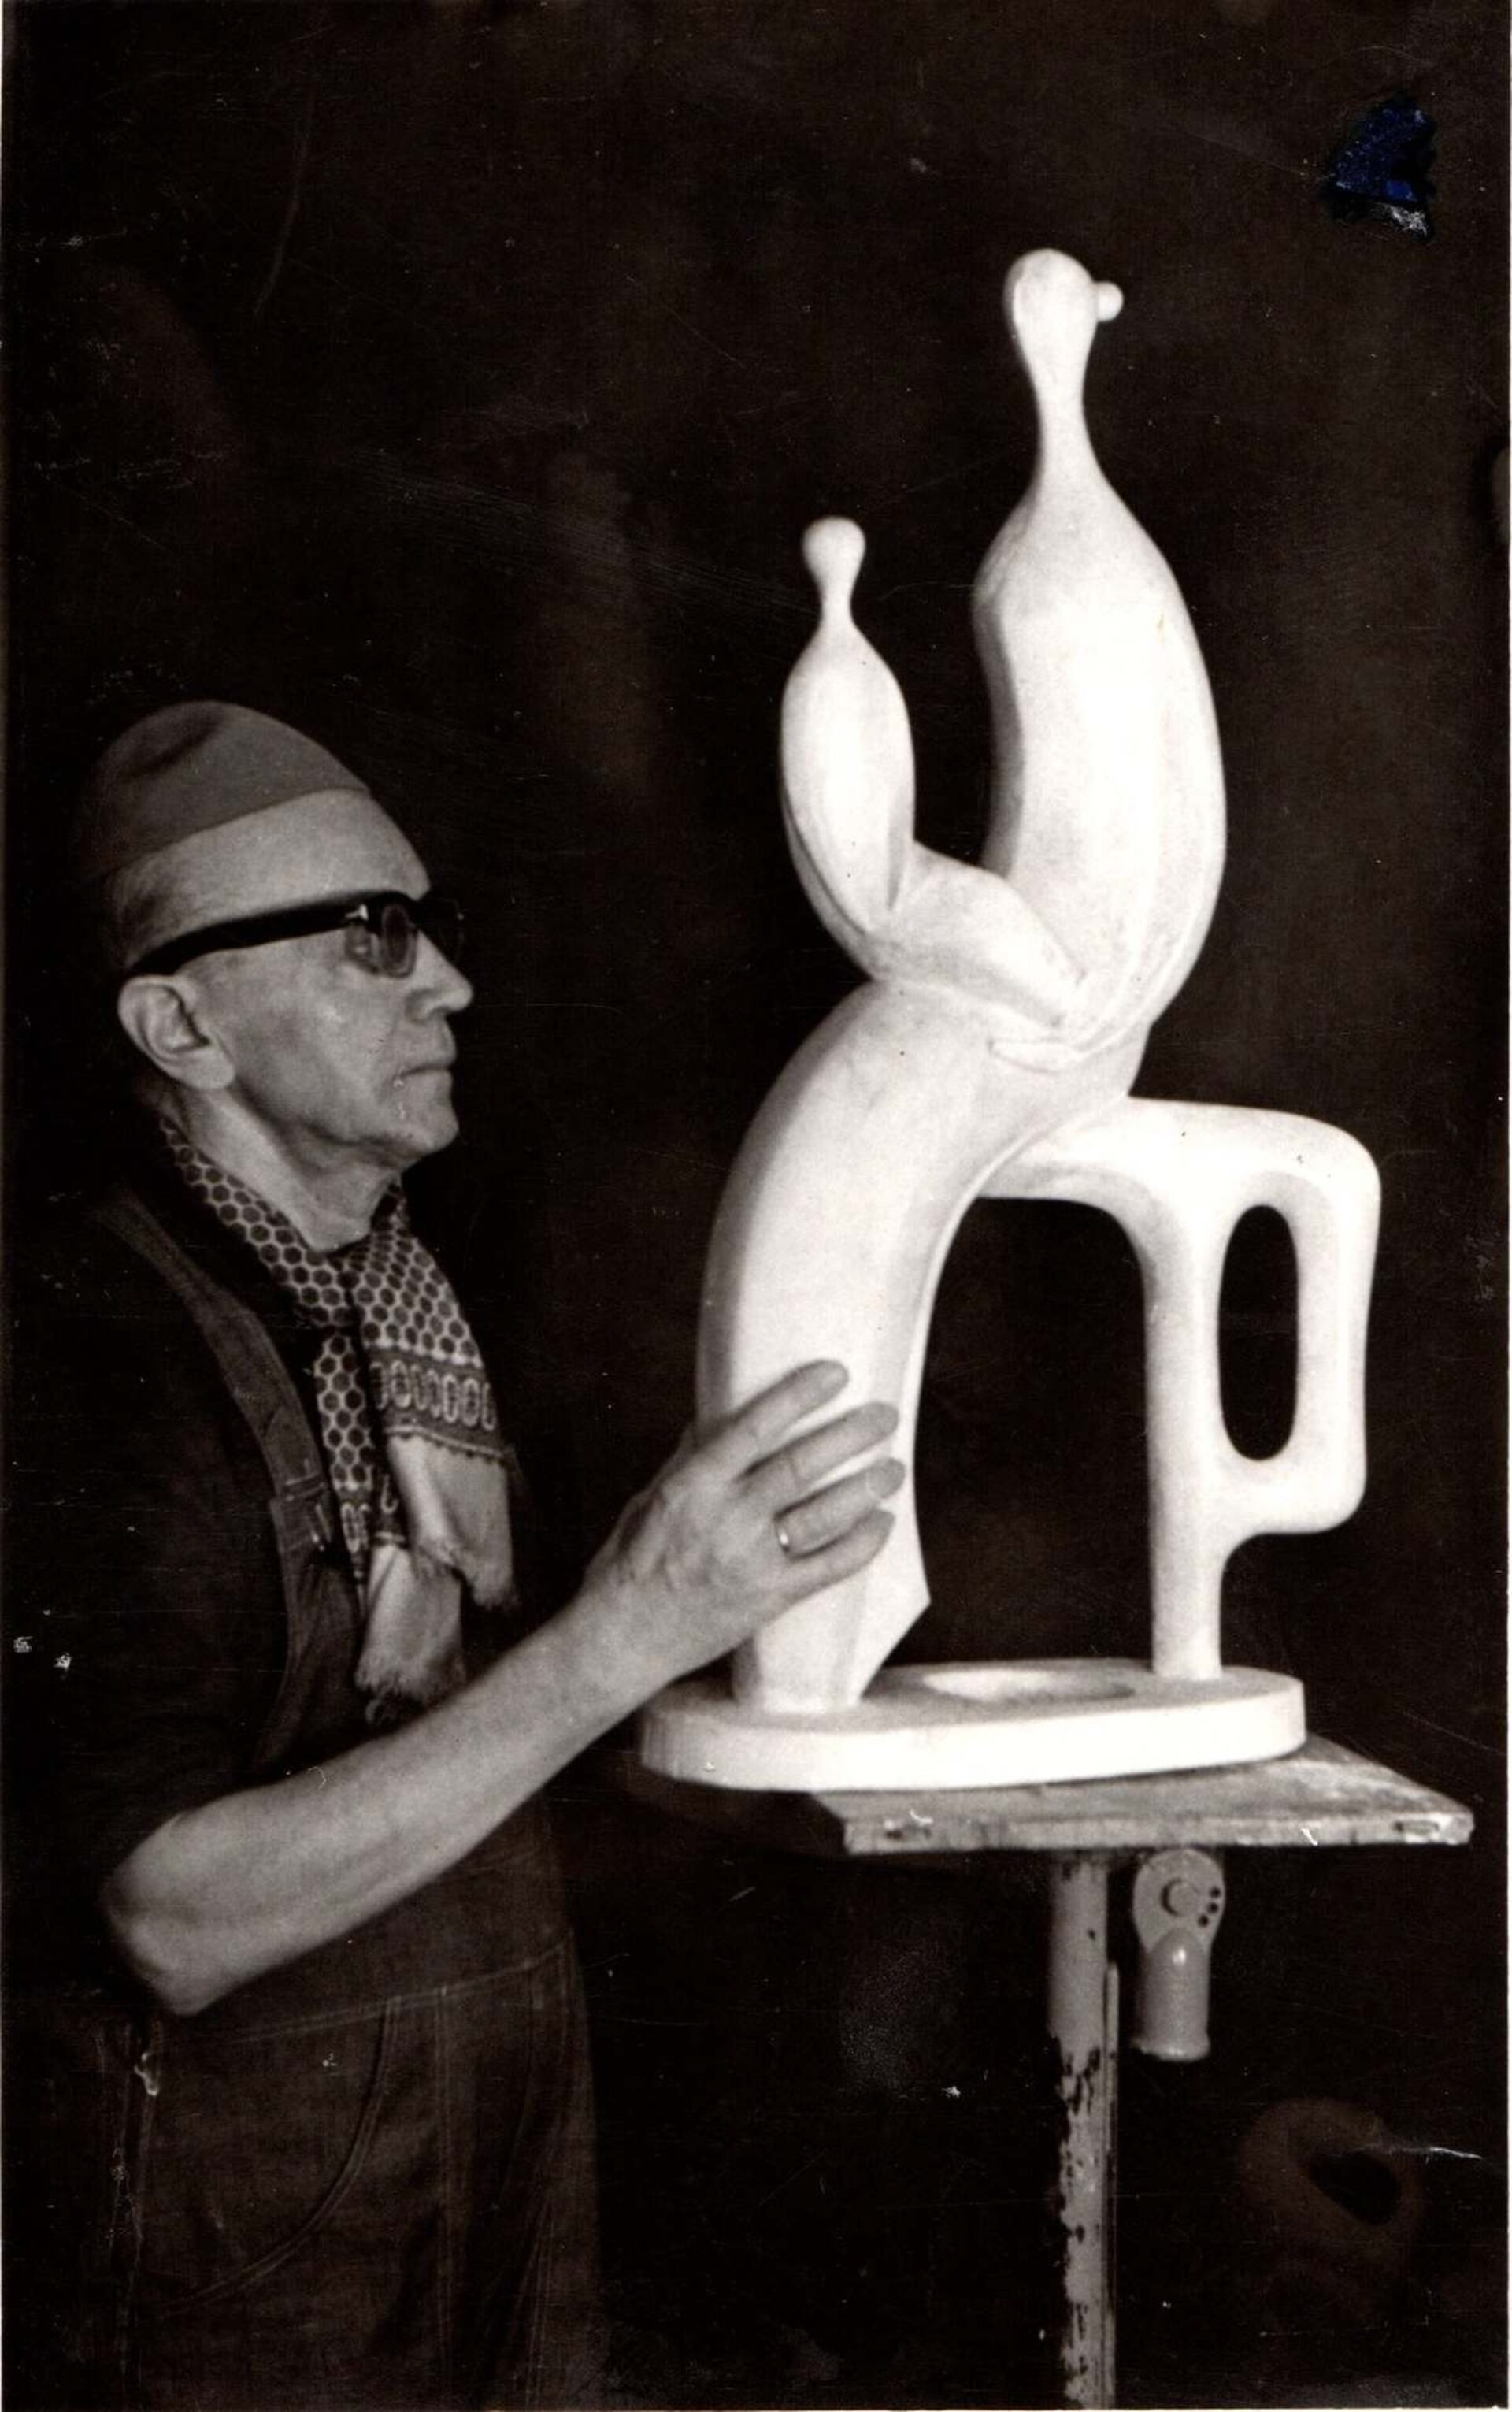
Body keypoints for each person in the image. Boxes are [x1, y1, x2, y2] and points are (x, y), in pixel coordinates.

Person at [5, 700, 903, 2412]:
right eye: (372, 938)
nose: (452, 986)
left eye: (426, 927)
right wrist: (630, 1630)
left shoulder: (419, 1300)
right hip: (228, 2287)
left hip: (493, 2217)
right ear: (181, 1023)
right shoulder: (85, 1348)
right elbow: (170, 1916)